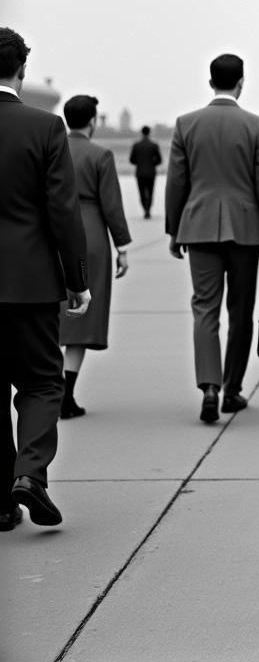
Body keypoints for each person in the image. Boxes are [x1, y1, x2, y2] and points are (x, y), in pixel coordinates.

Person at [0, 27, 90, 531]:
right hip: (30, 280)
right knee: (40, 382)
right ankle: (30, 474)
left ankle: (0, 500)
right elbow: (63, 210)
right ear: (22, 70)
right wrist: (77, 277)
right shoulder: (45, 128)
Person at [165, 54, 259, 424]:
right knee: (241, 313)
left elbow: (177, 181)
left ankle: (208, 385)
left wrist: (173, 229)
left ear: (210, 81)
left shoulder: (186, 123)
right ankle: (232, 388)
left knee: (205, 308)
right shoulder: (258, 126)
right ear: (241, 82)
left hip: (198, 226)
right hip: (245, 230)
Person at [58, 95, 131, 419]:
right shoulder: (100, 154)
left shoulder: (52, 150)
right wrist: (123, 247)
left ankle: (48, 390)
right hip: (90, 236)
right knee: (80, 319)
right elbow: (111, 205)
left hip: (51, 236)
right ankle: (67, 394)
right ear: (93, 121)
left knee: (51, 316)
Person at [129, 125, 162, 219]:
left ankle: (145, 209)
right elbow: (159, 160)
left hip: (140, 172)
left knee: (141, 192)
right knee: (150, 192)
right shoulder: (154, 145)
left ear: (141, 132)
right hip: (151, 172)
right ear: (149, 132)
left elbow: (131, 160)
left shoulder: (136, 145)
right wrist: (152, 163)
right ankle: (148, 209)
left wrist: (139, 162)